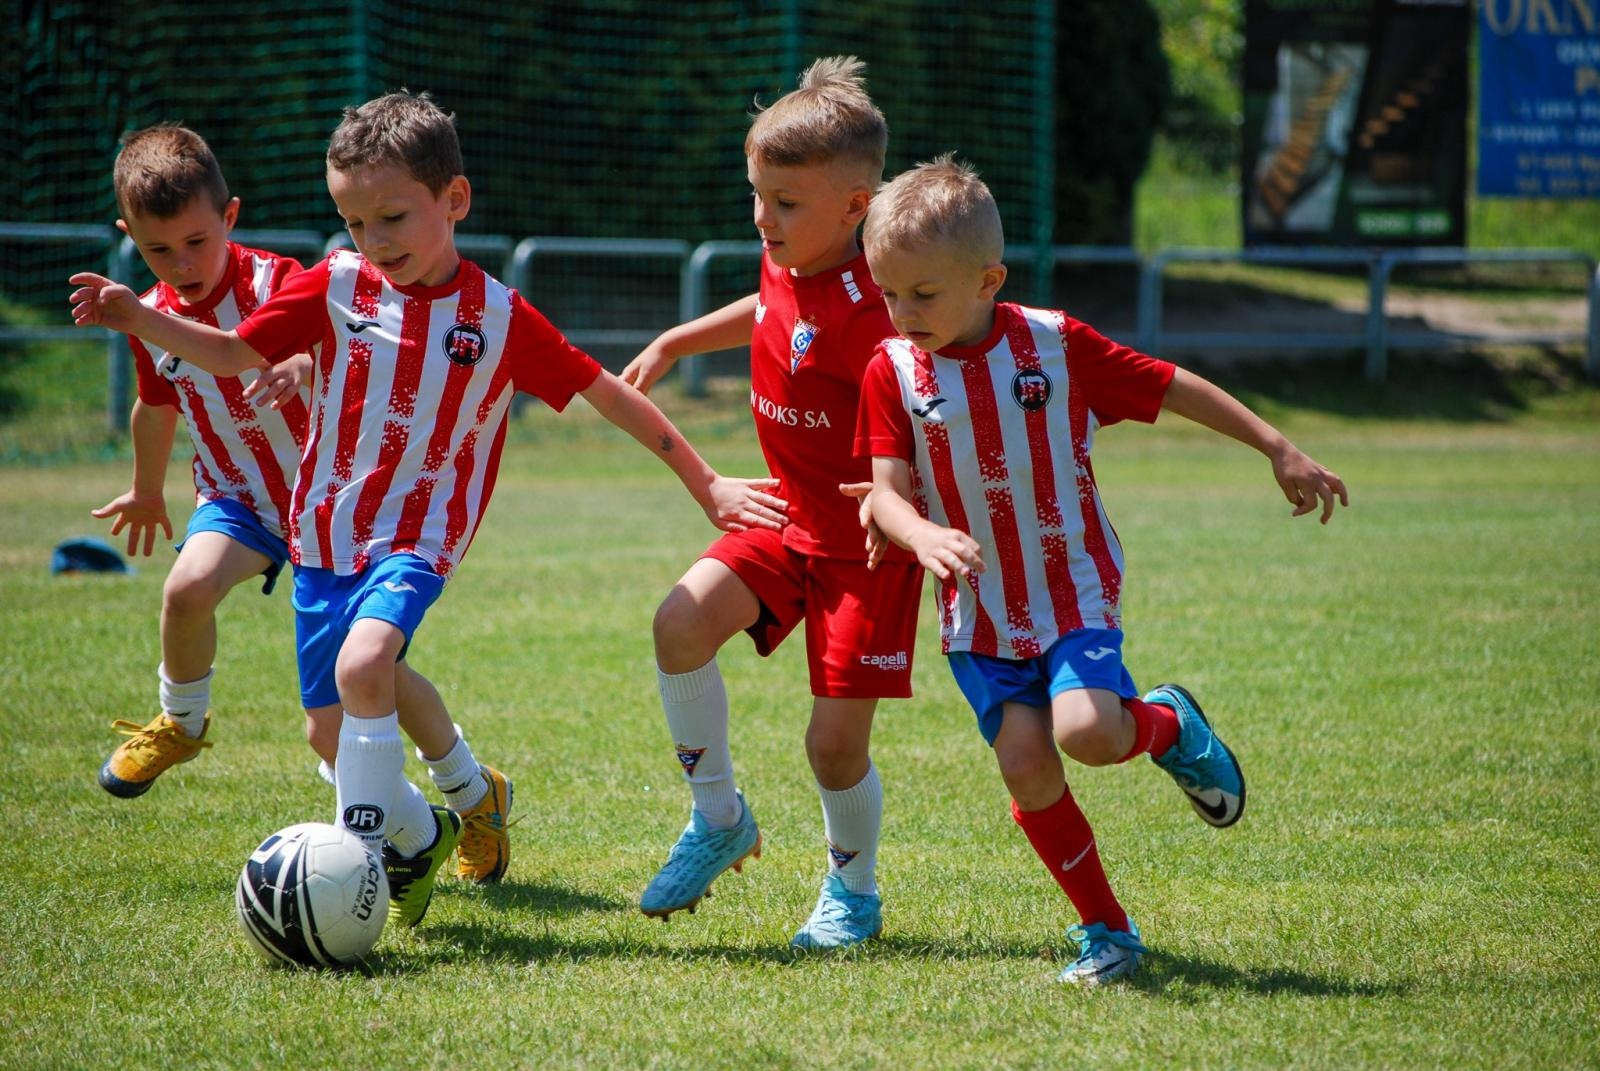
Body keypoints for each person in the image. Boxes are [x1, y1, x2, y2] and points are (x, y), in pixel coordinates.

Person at [71, 91, 787, 930]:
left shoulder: (498, 317)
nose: (375, 241)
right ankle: (454, 811)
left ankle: (361, 865)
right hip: (324, 532)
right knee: (327, 732)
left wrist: (708, 484)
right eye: (355, 221)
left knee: (367, 661)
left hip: (417, 536)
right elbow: (231, 351)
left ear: (454, 200)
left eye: (392, 218)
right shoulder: (336, 284)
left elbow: (607, 394)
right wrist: (135, 317)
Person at [855, 156, 1348, 984]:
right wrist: (920, 535)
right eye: (890, 294)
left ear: (988, 280)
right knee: (1025, 762)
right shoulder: (891, 372)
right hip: (976, 613)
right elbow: (884, 493)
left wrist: (1276, 444)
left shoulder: (1052, 346)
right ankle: (1108, 930)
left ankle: (1167, 726)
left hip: (1069, 588)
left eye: (924, 295)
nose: (904, 314)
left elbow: (1171, 386)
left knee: (1087, 732)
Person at [88, 125, 517, 905]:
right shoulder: (148, 316)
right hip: (242, 500)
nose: (182, 266)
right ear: (130, 242)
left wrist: (294, 363)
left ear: (231, 218)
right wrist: (149, 490)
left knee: (366, 682)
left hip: (340, 506)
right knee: (185, 591)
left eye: (196, 242)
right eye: (159, 251)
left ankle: (468, 791)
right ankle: (183, 722)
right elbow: (156, 408)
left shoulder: (281, 279)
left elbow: (340, 341)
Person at [620, 57, 923, 950]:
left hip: (867, 544)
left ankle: (854, 895)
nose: (763, 217)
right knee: (678, 624)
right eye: (757, 194)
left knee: (831, 746)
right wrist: (679, 338)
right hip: (785, 514)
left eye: (785, 203)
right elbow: (771, 304)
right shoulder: (788, 252)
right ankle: (718, 818)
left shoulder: (889, 312)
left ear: (856, 207)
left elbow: (936, 398)